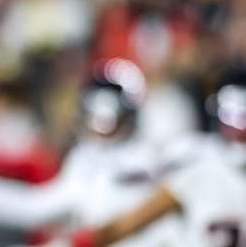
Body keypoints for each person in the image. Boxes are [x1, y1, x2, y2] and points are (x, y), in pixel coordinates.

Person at [0, 59, 183, 247]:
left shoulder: (151, 158)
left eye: (102, 114)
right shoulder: (92, 156)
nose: (94, 123)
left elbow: (34, 207)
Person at [59, 66, 246, 247]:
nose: (240, 129)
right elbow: (122, 227)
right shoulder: (197, 160)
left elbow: (121, 228)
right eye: (234, 115)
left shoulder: (196, 159)